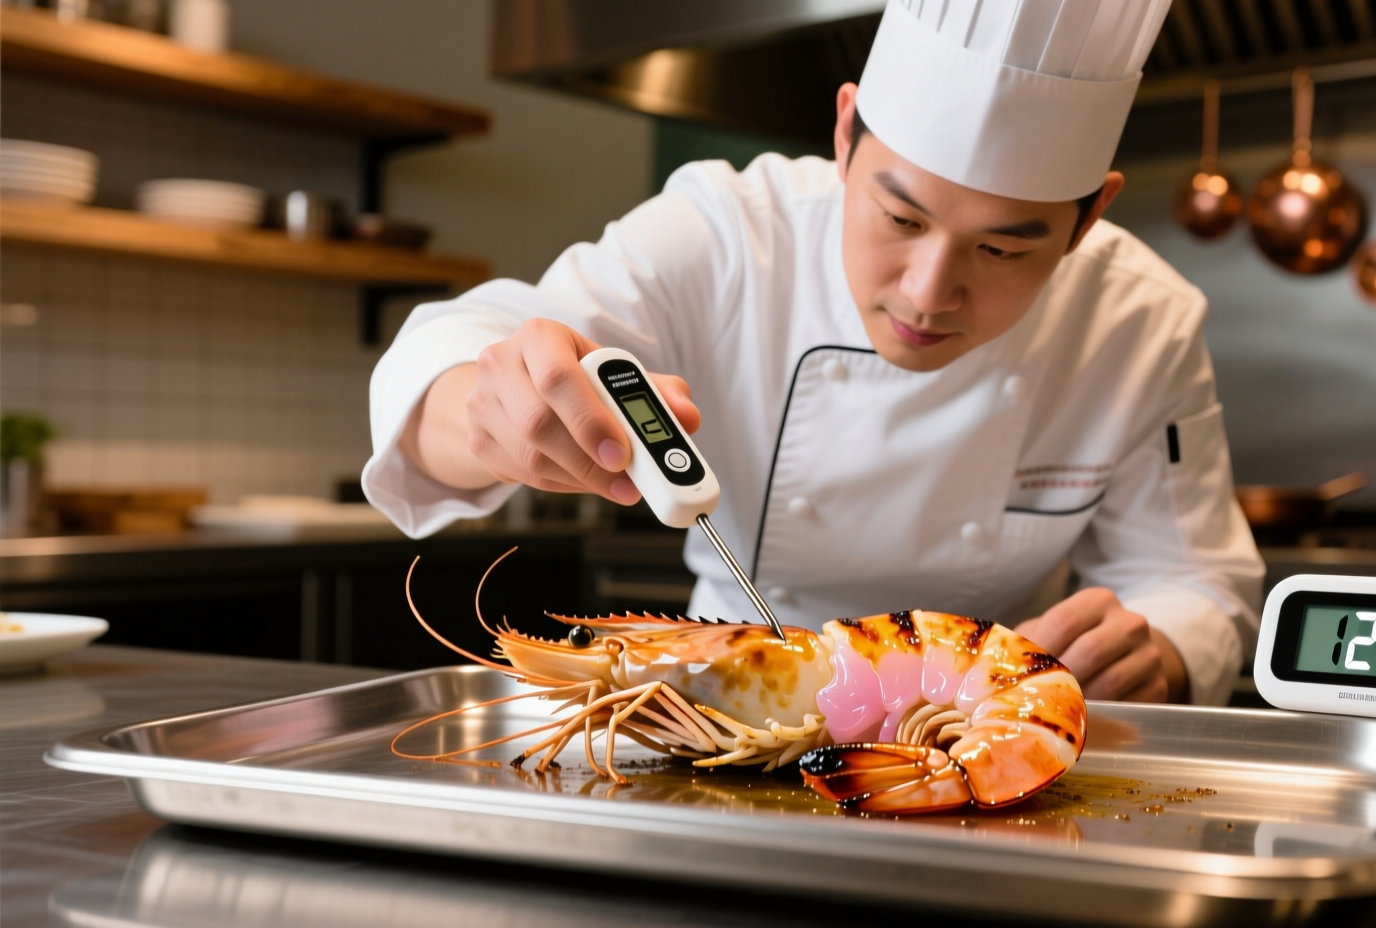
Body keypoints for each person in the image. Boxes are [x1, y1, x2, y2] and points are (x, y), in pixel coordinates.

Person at [365, 0, 1263, 707]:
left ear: (1088, 220)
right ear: (844, 135)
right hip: (724, 697)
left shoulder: (1143, 321)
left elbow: (1194, 580)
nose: (926, 292)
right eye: (900, 218)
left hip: (986, 723)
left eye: (1002, 250)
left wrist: (1161, 649)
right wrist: (487, 409)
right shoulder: (726, 235)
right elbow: (480, 341)